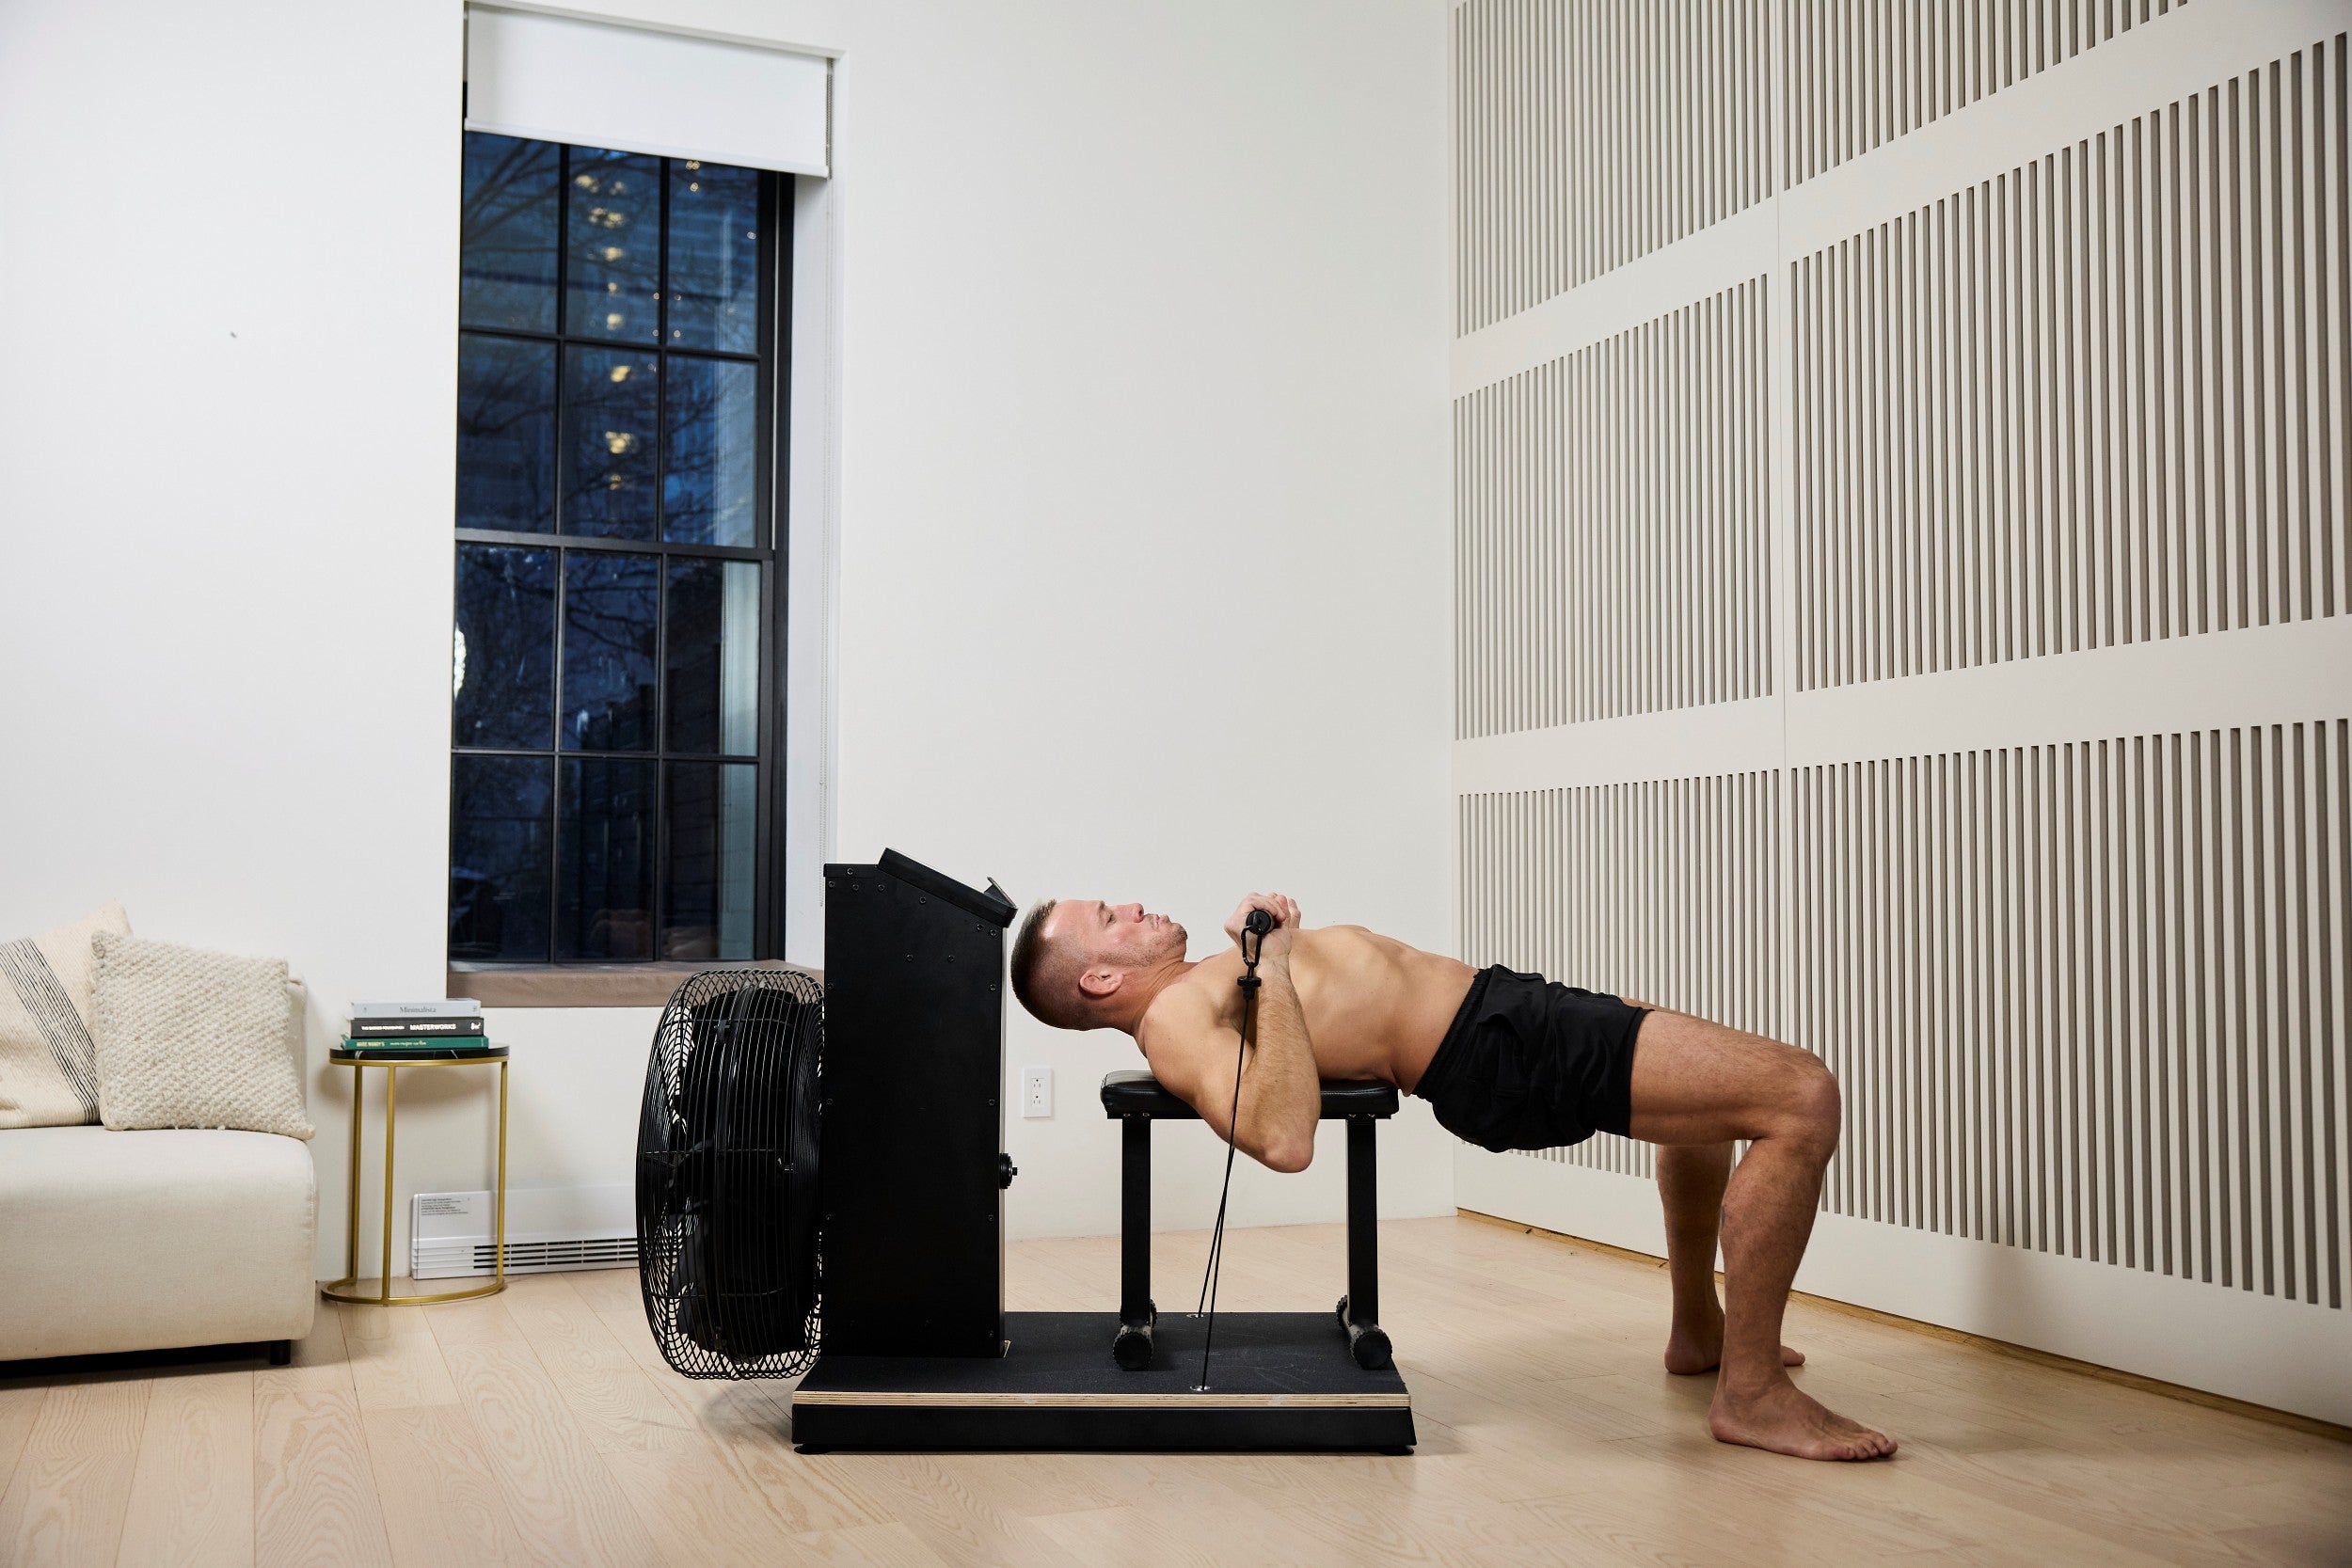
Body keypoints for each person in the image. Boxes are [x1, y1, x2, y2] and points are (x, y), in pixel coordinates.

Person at [1008, 890, 1896, 1463]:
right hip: (1492, 1048)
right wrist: (1271, 963)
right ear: (1100, 977)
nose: (1133, 905)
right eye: (1110, 918)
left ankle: (1701, 1331)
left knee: (1719, 1105)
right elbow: (1282, 1137)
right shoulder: (1171, 1020)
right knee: (1800, 1095)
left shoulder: (1193, 983)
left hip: (1501, 1011)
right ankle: (1752, 1392)